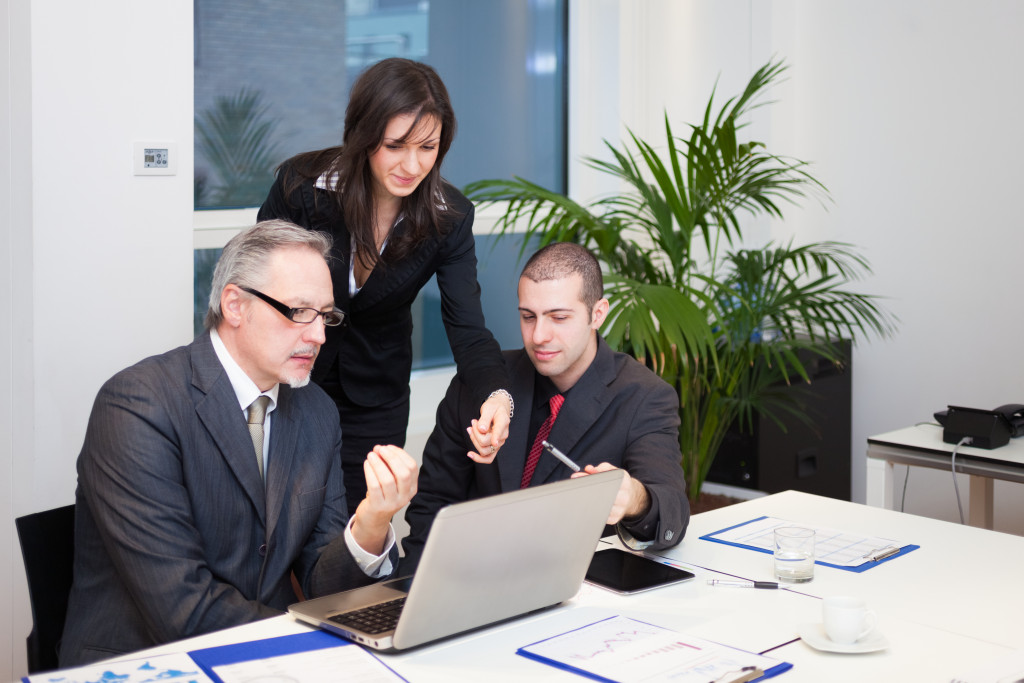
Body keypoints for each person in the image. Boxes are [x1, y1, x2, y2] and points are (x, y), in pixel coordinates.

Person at [60, 222, 418, 666]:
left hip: (271, 659)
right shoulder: (139, 404)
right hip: (146, 663)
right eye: (299, 312)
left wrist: (372, 521)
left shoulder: (316, 412)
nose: (319, 336)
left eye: (325, 315)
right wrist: (316, 647)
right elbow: (181, 611)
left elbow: (324, 587)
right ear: (235, 305)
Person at [257, 58, 511, 514]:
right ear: (363, 134)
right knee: (275, 524)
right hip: (288, 381)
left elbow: (468, 328)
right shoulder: (302, 189)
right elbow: (258, 288)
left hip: (375, 396)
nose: (412, 165)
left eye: (428, 147)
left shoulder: (448, 217)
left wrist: (497, 395)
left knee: (357, 528)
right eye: (395, 145)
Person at [402, 242, 689, 572]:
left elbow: (673, 515)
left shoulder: (644, 397)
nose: (539, 336)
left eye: (559, 317)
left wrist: (636, 499)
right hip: (470, 580)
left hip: (577, 594)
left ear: (598, 314)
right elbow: (431, 508)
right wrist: (415, 594)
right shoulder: (480, 385)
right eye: (528, 317)